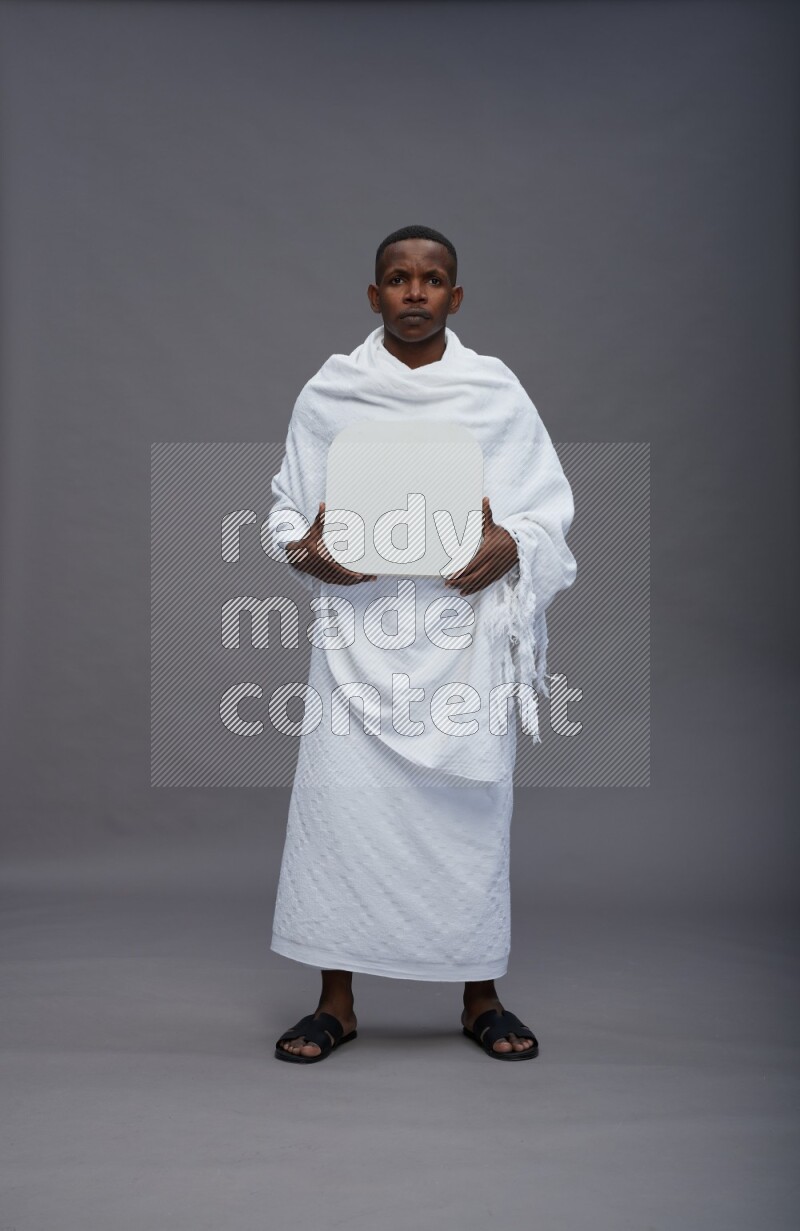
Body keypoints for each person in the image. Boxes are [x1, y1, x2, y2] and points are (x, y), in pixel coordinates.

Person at [267, 225, 577, 1063]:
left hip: (461, 643)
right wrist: (310, 552)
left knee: (469, 818)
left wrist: (513, 545)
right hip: (357, 643)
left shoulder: (493, 390)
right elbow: (285, 515)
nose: (414, 292)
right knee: (342, 817)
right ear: (373, 296)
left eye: (431, 279)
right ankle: (336, 1001)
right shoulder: (331, 392)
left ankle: (480, 996)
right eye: (397, 279)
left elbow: (547, 510)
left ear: (455, 296)